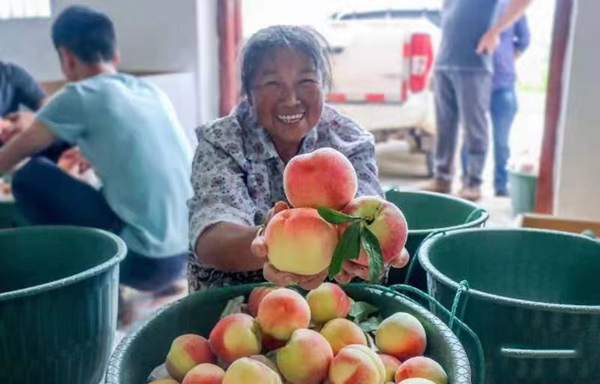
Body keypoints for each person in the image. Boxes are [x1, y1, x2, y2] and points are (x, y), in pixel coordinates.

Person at [188, 25, 408, 292]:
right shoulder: (222, 140)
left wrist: (357, 245)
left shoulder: (348, 139)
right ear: (249, 93)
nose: (291, 99)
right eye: (272, 83)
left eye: (305, 81)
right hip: (233, 304)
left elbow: (367, 209)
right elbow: (211, 238)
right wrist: (268, 243)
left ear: (323, 85)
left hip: (329, 307)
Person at [0, 6, 193, 293]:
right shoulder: (148, 91)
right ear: (114, 54)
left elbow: (10, 157)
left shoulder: (77, 95)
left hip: (144, 261)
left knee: (30, 177)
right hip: (190, 254)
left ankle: (75, 282)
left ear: (66, 57)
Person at [424, 0, 535, 201]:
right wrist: (435, 67)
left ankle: (473, 183)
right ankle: (442, 179)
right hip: (444, 63)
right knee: (444, 127)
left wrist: (495, 32)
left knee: (474, 127)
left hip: (474, 64)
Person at [461, 6, 531, 197]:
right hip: (474, 84)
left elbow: (524, 42)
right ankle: (469, 183)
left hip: (503, 85)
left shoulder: (512, 8)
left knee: (502, 141)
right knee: (471, 137)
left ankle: (501, 186)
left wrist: (504, 60)